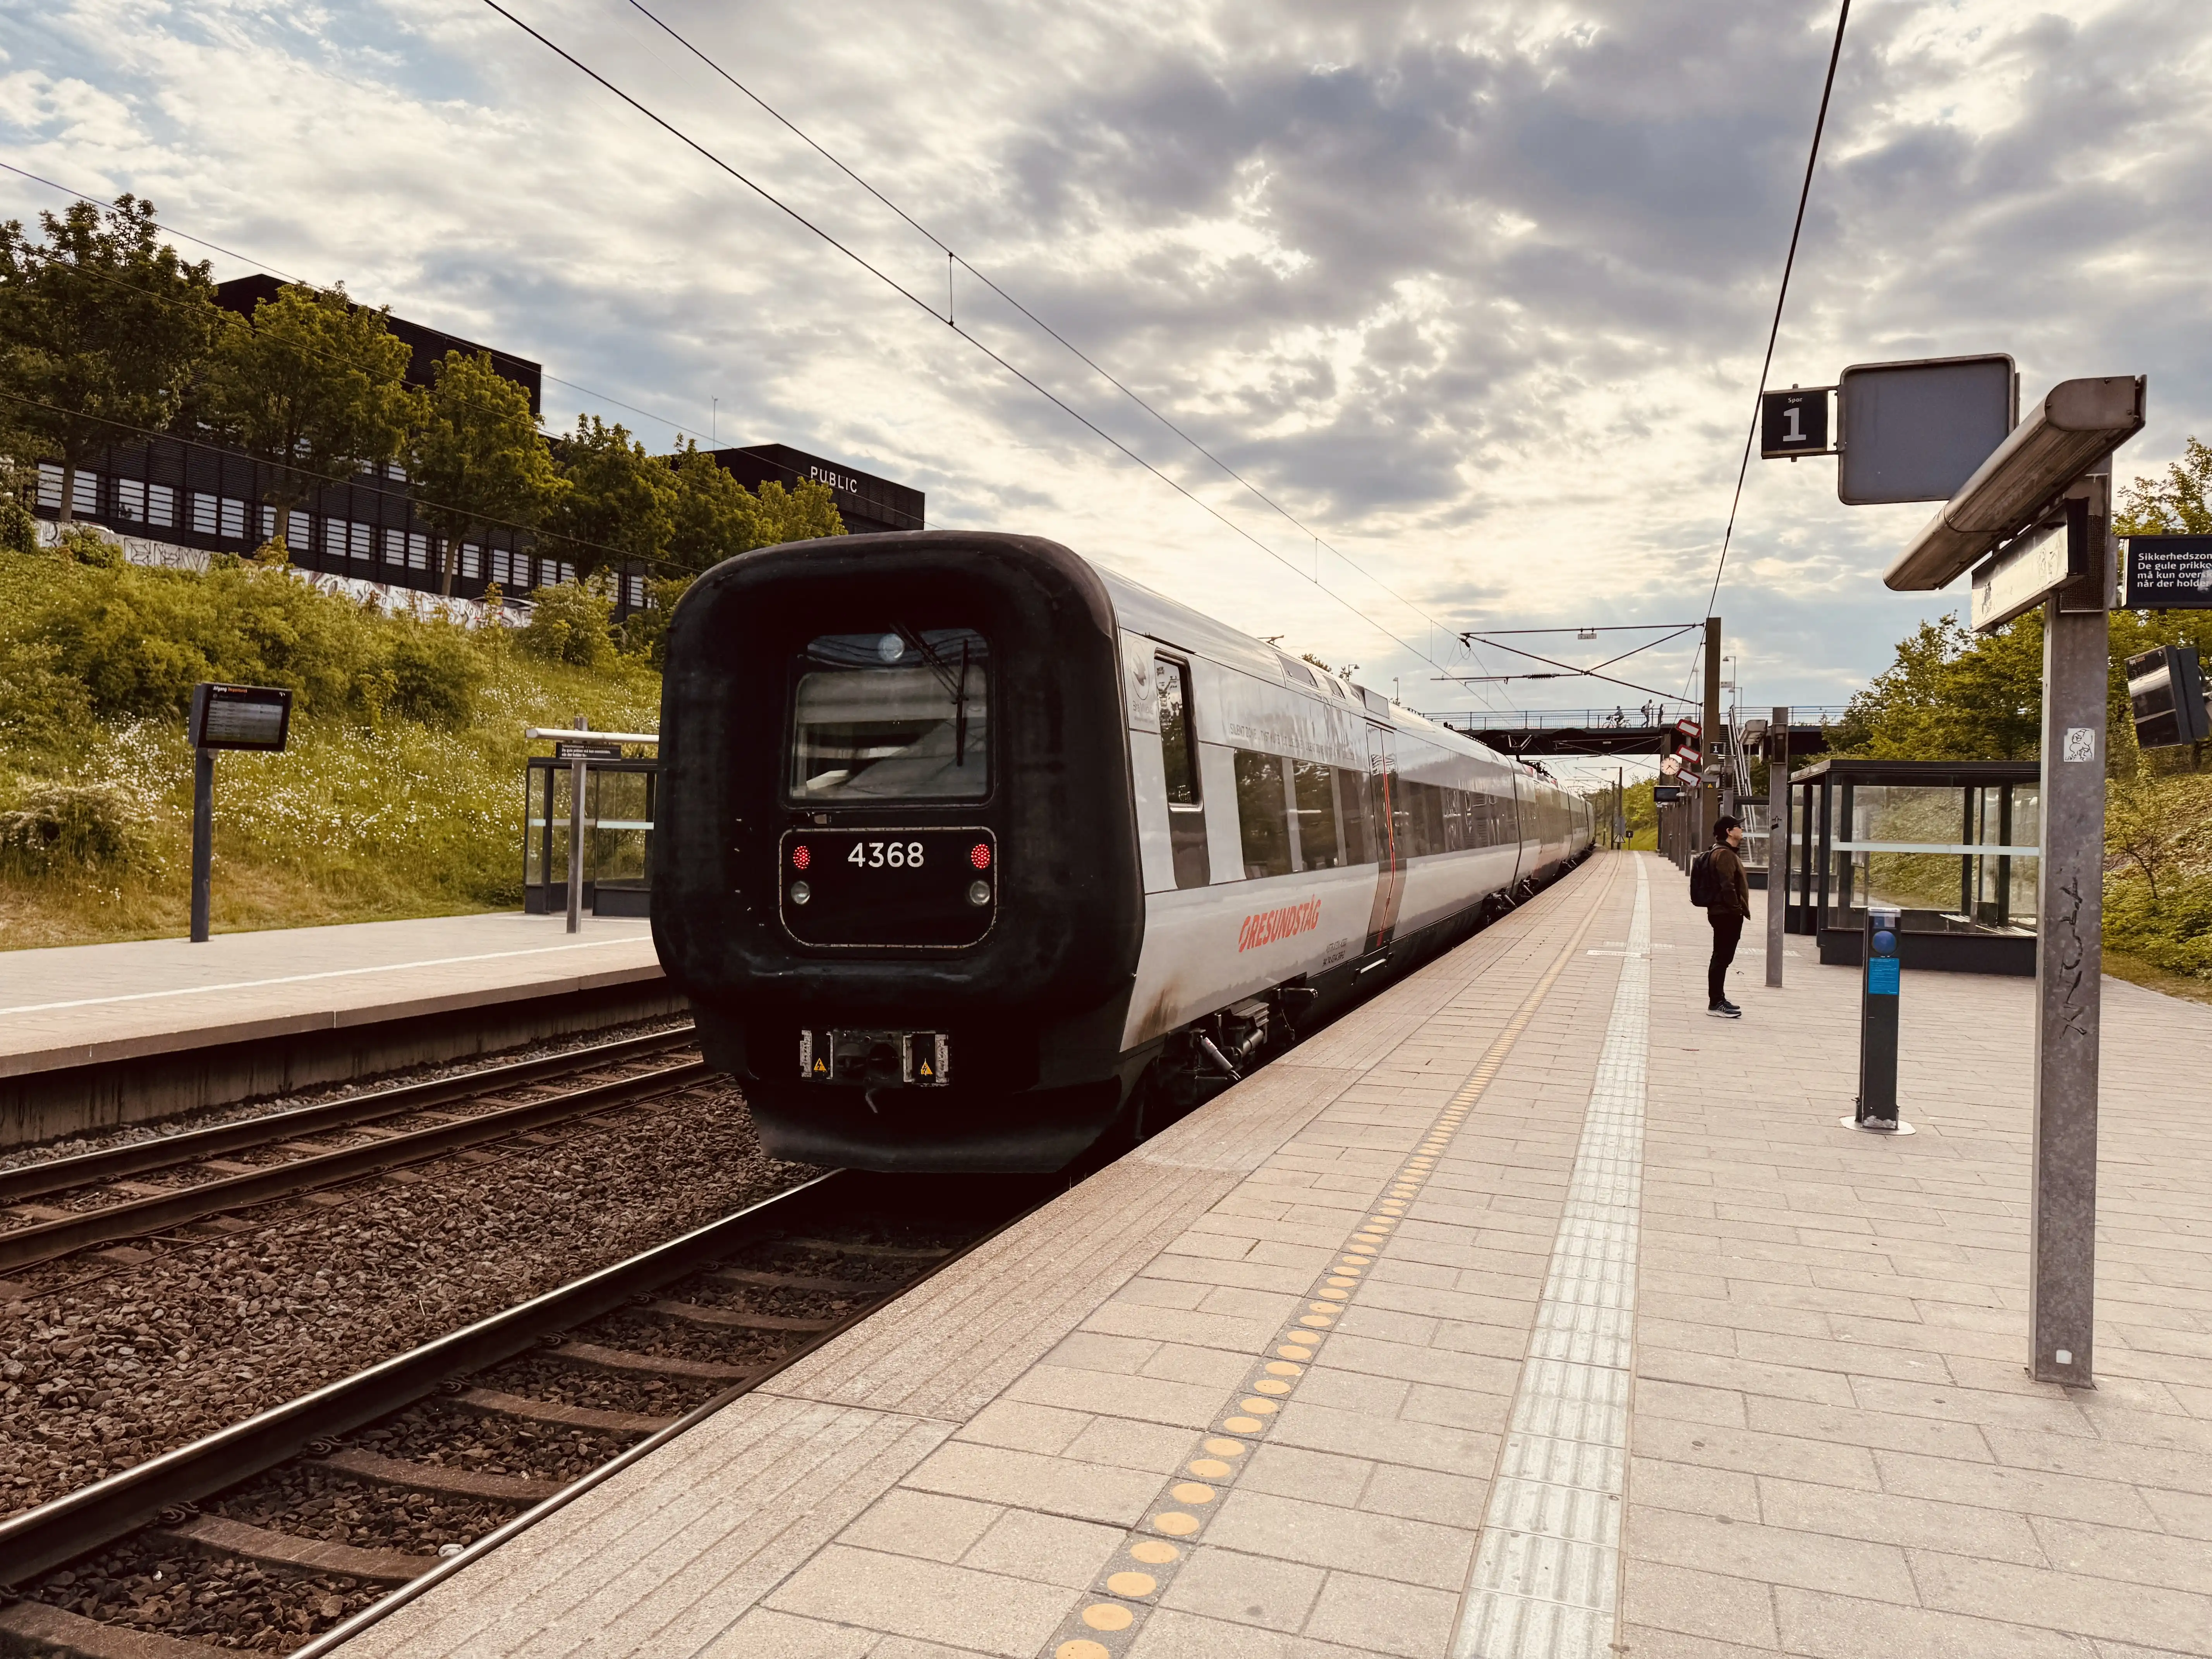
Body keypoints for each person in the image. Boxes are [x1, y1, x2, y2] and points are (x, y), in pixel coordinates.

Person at [1704, 814, 1752, 1017]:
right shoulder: (1724, 854)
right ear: (1729, 832)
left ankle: (1719, 999)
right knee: (1722, 958)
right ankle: (1716, 1003)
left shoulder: (1724, 852)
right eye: (1737, 827)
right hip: (1726, 914)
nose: (1741, 830)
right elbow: (1728, 886)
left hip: (1723, 912)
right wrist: (1736, 910)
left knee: (1722, 958)